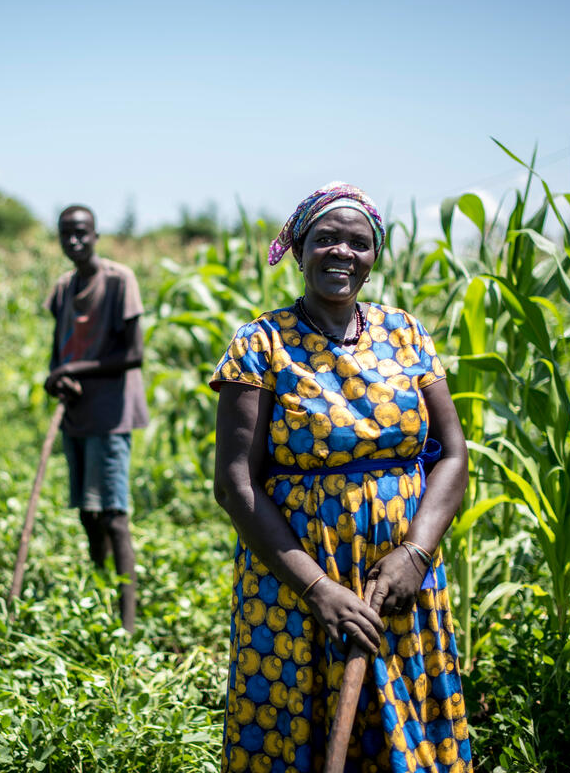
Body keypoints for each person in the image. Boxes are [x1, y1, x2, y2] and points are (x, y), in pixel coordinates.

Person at [210, 183, 472, 772]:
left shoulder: (405, 334)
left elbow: (452, 455)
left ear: (374, 258)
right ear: (300, 251)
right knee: (300, 723)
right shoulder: (262, 344)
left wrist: (415, 556)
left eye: (358, 243)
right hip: (297, 579)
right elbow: (235, 482)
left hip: (399, 580)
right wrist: (318, 590)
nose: (342, 253)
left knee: (400, 723)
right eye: (326, 239)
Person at [45, 204, 149, 633]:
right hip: (77, 414)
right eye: (66, 234)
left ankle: (126, 622)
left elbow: (133, 354)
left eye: (82, 233)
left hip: (112, 413)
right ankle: (103, 590)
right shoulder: (63, 288)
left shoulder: (119, 279)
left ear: (96, 235)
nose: (75, 241)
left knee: (113, 514)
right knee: (87, 513)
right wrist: (56, 380)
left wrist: (73, 371)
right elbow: (59, 351)